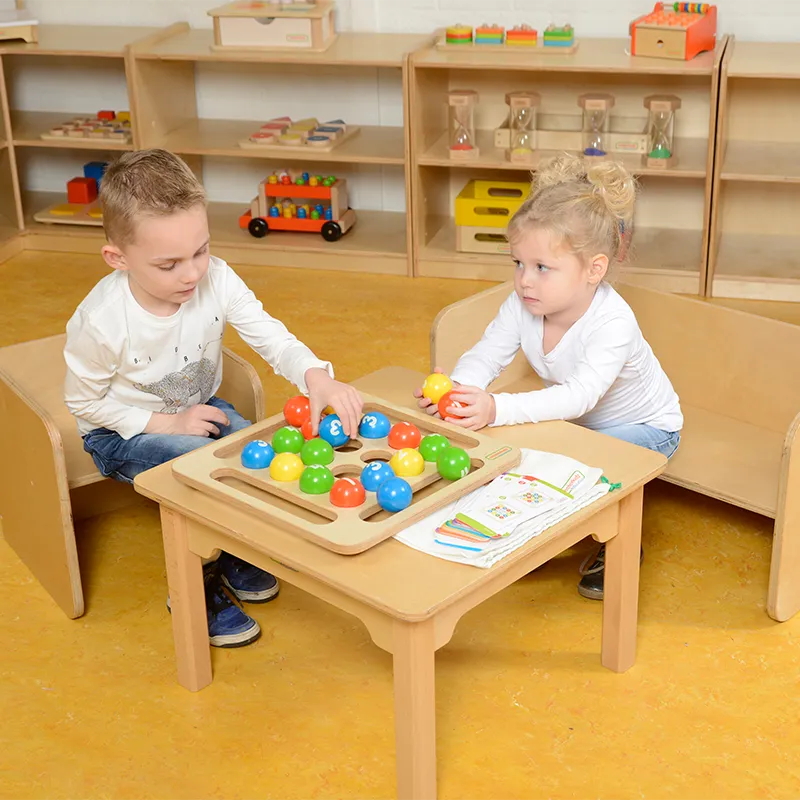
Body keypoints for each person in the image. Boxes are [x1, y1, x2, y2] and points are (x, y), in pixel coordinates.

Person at [64, 149, 363, 646]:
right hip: (120, 432)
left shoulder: (216, 278)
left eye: (201, 250)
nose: (192, 273)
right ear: (118, 258)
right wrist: (167, 425)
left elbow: (270, 336)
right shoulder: (102, 322)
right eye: (169, 263)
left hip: (197, 410)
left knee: (258, 458)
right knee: (203, 473)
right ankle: (192, 586)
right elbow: (85, 405)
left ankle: (233, 551)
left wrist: (316, 376)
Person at [414, 153, 682, 600]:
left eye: (542, 268)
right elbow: (488, 353)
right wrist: (461, 391)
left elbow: (579, 396)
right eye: (518, 263)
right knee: (527, 462)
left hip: (647, 429)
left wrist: (495, 408)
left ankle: (621, 542)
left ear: (594, 269)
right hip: (578, 423)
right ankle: (530, 530)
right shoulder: (523, 304)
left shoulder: (612, 322)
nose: (524, 281)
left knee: (588, 475)